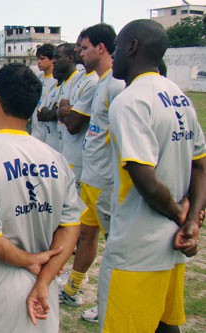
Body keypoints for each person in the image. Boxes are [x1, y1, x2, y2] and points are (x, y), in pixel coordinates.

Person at [0, 63, 84, 332]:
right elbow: (71, 226)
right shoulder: (57, 160)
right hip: (42, 299)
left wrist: (30, 261)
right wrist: (44, 280)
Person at [98, 19, 206, 333]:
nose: (114, 54)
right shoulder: (180, 97)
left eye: (117, 45)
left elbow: (143, 176)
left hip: (136, 248)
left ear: (132, 47)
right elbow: (201, 165)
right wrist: (191, 222)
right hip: (172, 248)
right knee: (164, 325)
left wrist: (179, 214)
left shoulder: (130, 101)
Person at [58, 23, 125, 324]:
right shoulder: (100, 83)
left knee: (115, 248)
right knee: (85, 234)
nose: (80, 54)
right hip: (92, 178)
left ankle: (109, 303)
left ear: (101, 47)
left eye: (84, 48)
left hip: (108, 183)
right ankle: (73, 288)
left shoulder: (116, 85)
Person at [56, 35, 98, 191]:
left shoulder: (93, 82)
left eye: (82, 47)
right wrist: (63, 111)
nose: (78, 52)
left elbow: (73, 125)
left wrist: (65, 111)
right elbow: (62, 107)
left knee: (77, 208)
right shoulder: (79, 76)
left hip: (79, 159)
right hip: (66, 153)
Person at [31, 43, 57, 141]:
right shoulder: (38, 77)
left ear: (52, 60)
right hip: (35, 129)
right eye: (38, 59)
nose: (39, 62)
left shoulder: (56, 80)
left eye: (42, 59)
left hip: (48, 133)